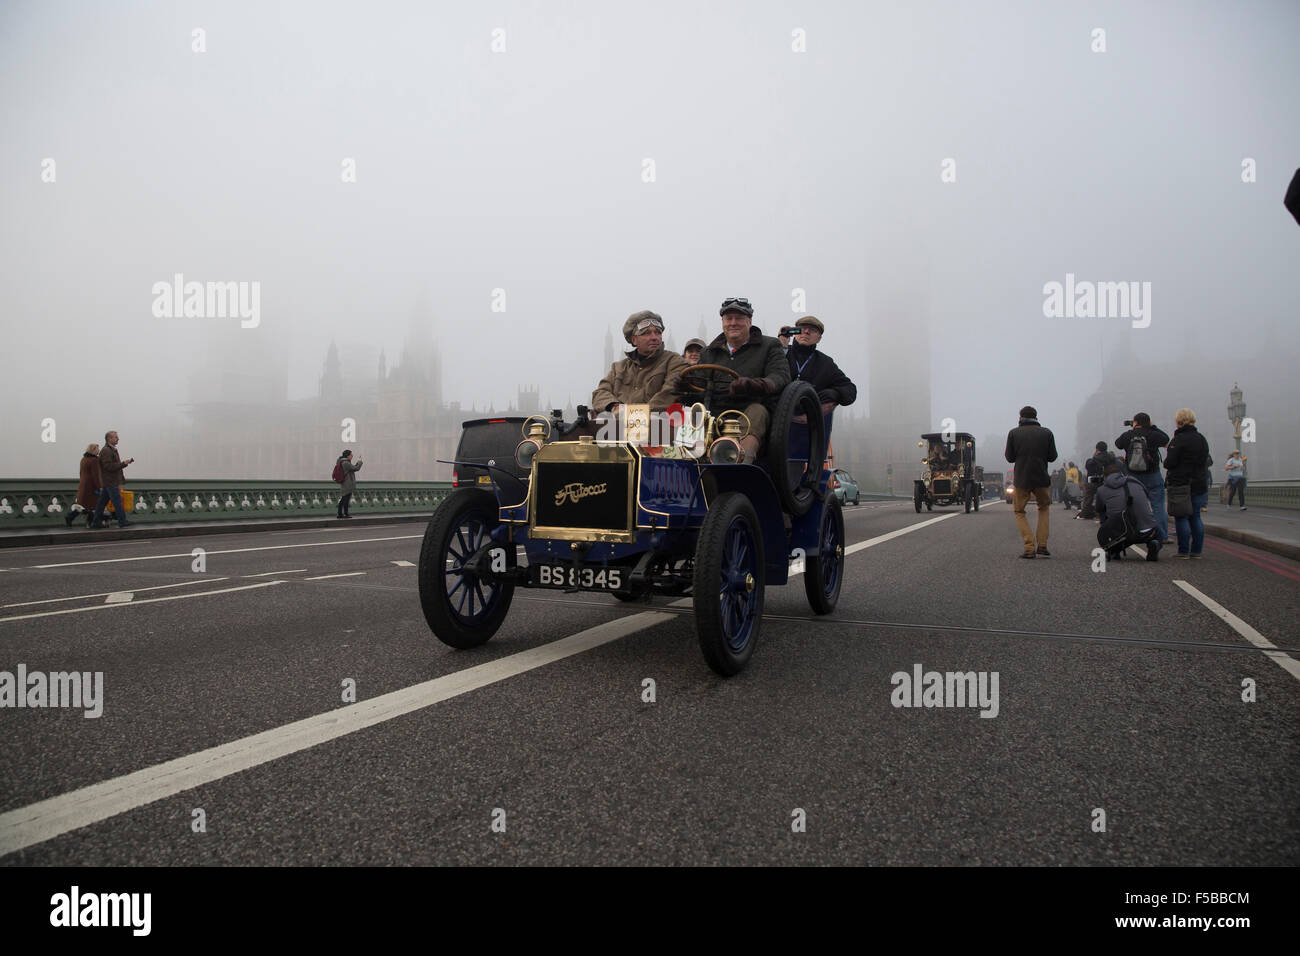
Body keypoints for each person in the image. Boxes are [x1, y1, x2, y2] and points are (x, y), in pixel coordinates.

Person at [685, 297, 791, 463]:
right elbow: (697, 385)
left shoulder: (769, 346)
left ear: (749, 321)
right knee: (683, 411)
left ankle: (738, 461)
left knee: (757, 411)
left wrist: (754, 384)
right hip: (713, 413)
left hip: (749, 412)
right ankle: (680, 460)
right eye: (728, 319)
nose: (733, 323)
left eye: (739, 318)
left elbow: (780, 376)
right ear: (723, 323)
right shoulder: (708, 353)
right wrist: (682, 385)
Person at [592, 311, 689, 419]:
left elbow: (669, 393)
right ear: (634, 340)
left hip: (657, 427)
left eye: (658, 332)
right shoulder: (618, 368)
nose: (654, 337)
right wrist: (615, 407)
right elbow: (600, 393)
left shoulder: (674, 362)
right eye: (647, 333)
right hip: (618, 427)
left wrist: (634, 415)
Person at [784, 315, 857, 442]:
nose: (806, 332)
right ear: (794, 333)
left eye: (812, 330)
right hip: (776, 419)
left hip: (805, 428)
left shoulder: (825, 363)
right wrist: (782, 345)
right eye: (801, 328)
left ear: (819, 338)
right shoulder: (779, 352)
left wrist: (831, 396)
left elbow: (850, 390)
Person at [1004, 405, 1057, 558]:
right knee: (1043, 508)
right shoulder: (1047, 433)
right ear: (1036, 417)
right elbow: (1052, 456)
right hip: (1041, 478)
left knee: (1019, 511)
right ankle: (1042, 545)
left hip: (1022, 479)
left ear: (1020, 417)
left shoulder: (1014, 433)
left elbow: (1010, 457)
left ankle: (1029, 546)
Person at [1116, 412, 1170, 544]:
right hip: (1152, 474)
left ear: (1135, 422)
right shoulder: (1152, 433)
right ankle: (1161, 535)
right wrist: (1153, 427)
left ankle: (1139, 531)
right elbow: (1166, 439)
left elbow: (1118, 443)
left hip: (1133, 476)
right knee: (1158, 506)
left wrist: (1132, 431)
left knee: (1135, 505)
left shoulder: (1128, 435)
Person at [1164, 408, 1211, 559]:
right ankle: (1196, 551)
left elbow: (1169, 463)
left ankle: (1183, 551)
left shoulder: (1178, 440)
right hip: (1199, 482)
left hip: (1180, 483)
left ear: (1178, 422)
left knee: (1181, 517)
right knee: (1196, 517)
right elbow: (1205, 460)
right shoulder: (1201, 439)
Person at [1095, 463, 1162, 561]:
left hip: (1122, 533)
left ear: (1104, 476)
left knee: (1103, 512)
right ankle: (1154, 543)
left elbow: (1099, 509)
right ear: (1121, 473)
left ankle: (1112, 547)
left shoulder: (1101, 490)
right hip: (1147, 531)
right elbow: (1147, 497)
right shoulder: (1136, 482)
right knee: (1158, 531)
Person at [90, 430, 134, 529]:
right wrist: (123, 464)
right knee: (117, 501)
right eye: (115, 437)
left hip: (108, 481)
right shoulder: (107, 450)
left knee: (101, 503)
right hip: (110, 481)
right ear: (109, 439)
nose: (118, 438)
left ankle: (96, 522)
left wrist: (124, 464)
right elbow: (108, 466)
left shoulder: (110, 449)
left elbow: (109, 466)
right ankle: (122, 521)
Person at [67, 443, 102, 528]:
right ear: (93, 450)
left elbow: (81, 473)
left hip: (84, 484)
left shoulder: (83, 459)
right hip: (91, 486)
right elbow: (95, 475)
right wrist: (99, 486)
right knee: (93, 505)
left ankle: (70, 517)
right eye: (97, 449)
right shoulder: (94, 460)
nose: (99, 451)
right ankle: (90, 523)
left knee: (84, 505)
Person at [1081, 441, 1114, 520]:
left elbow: (1088, 467)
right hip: (1107, 480)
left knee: (1088, 496)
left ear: (1097, 449)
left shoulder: (1094, 459)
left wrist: (1093, 457)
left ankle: (1087, 513)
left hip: (1094, 481)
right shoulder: (1111, 458)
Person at [336, 449, 362, 518]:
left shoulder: (343, 462)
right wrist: (359, 462)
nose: (352, 455)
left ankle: (341, 514)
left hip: (345, 483)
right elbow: (356, 468)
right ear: (347, 456)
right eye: (351, 454)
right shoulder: (345, 463)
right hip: (347, 483)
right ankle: (344, 513)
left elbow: (352, 468)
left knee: (344, 499)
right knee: (345, 499)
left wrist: (357, 463)